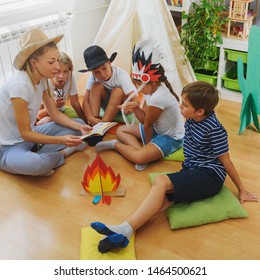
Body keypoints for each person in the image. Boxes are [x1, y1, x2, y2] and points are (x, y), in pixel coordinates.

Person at [91, 81, 258, 253]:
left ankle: (124, 230)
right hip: (193, 170)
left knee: (161, 182)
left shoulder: (215, 129)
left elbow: (226, 161)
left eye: (185, 105)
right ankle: (125, 230)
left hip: (209, 175)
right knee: (163, 200)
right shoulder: (192, 120)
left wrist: (242, 189)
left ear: (200, 111)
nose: (180, 106)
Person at [0, 28, 92, 177]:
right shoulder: (20, 87)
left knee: (76, 128)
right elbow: (25, 134)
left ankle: (41, 154)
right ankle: (61, 154)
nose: (57, 66)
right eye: (51, 61)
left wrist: (80, 126)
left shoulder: (42, 79)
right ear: (34, 62)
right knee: (37, 164)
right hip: (8, 147)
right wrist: (62, 141)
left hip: (32, 137)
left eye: (57, 60)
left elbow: (54, 113)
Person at [95, 37, 185, 171]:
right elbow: (143, 119)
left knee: (138, 158)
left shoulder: (158, 97)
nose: (137, 88)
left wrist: (148, 147)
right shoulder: (151, 93)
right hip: (157, 130)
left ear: (153, 82)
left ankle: (116, 146)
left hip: (170, 138)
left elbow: (147, 125)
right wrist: (136, 107)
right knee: (121, 130)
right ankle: (140, 151)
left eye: (139, 84)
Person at [79, 45, 140, 126]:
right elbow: (86, 101)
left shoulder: (121, 75)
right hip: (107, 106)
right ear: (92, 72)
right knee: (96, 86)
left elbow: (136, 101)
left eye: (104, 69)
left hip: (122, 107)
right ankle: (95, 120)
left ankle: (103, 124)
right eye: (97, 72)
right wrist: (90, 118)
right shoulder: (93, 77)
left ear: (109, 63)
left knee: (117, 91)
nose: (102, 75)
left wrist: (131, 107)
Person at [36, 51, 87, 125]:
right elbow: (39, 115)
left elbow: (75, 103)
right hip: (46, 115)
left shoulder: (70, 77)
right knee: (47, 121)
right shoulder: (46, 83)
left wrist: (86, 123)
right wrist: (54, 106)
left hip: (62, 111)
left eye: (65, 71)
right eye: (58, 71)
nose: (61, 76)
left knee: (80, 121)